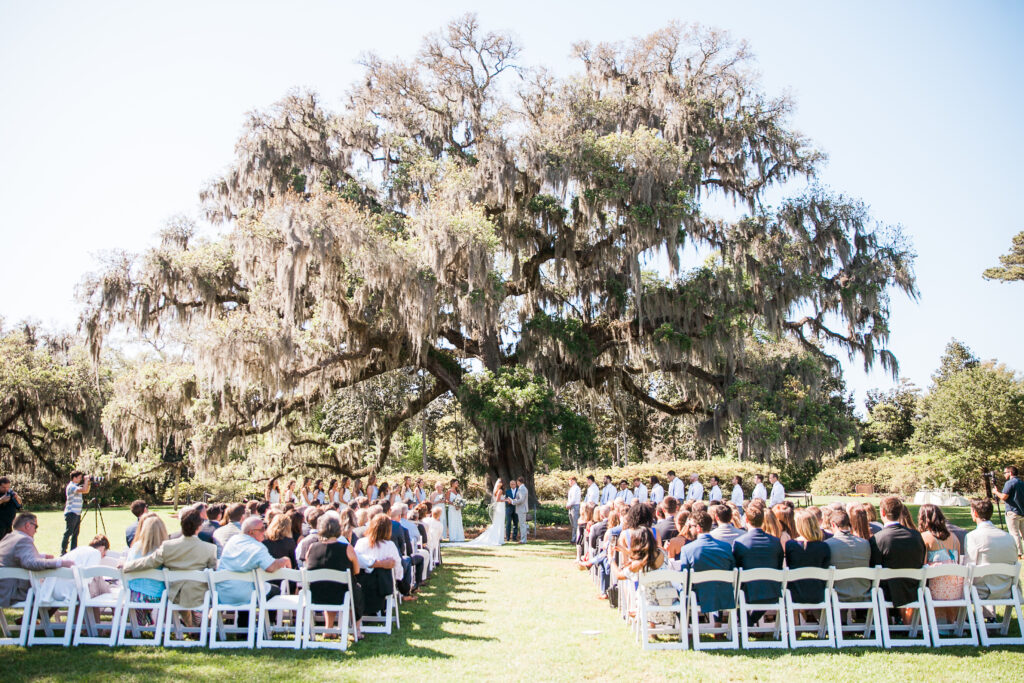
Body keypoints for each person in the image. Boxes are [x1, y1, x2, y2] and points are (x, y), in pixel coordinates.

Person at [122, 507, 217, 611]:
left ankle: (190, 620)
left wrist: (126, 565)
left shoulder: (168, 546)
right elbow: (213, 575)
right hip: (200, 598)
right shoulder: (210, 549)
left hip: (176, 597)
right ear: (199, 527)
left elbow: (149, 562)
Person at [0, 512, 74, 606]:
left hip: (3, 590)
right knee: (60, 590)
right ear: (27, 525)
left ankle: (31, 618)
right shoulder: (23, 539)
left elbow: (16, 557)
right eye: (36, 527)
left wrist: (41, 556)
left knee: (52, 589)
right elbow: (31, 563)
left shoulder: (8, 537)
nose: (36, 531)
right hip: (13, 593)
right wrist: (60, 563)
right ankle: (33, 618)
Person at [305, 514, 362, 632]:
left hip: (316, 594)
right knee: (356, 589)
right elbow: (356, 571)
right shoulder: (347, 548)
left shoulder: (311, 547)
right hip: (341, 595)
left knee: (327, 585)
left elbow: (308, 567)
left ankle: (329, 628)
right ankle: (357, 629)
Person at [869, 496, 926, 612]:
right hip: (913, 589)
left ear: (883, 512)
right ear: (901, 512)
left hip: (887, 592)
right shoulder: (916, 536)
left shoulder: (878, 539)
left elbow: (874, 567)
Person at [733, 503, 784, 622]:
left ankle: (747, 622)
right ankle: (749, 622)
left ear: (746, 520)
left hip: (747, 592)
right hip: (772, 591)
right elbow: (779, 566)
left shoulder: (740, 542)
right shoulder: (776, 541)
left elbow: (736, 567)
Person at [680, 509, 736, 614]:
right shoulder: (726, 547)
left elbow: (685, 579)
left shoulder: (687, 549)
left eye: (690, 526)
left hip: (699, 597)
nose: (689, 528)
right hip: (724, 594)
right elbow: (732, 569)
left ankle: (686, 623)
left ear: (698, 528)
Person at [965, 498, 1018, 600]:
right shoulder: (1009, 537)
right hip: (1007, 589)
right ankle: (989, 615)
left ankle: (963, 616)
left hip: (981, 591)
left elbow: (968, 568)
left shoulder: (972, 537)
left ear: (975, 513)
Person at [917, 504, 963, 622]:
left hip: (934, 591)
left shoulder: (925, 537)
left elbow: (922, 566)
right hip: (956, 591)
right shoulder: (954, 537)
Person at [354, 513, 403, 615]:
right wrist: (398, 579)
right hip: (383, 586)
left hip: (362, 583)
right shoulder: (389, 545)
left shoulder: (361, 543)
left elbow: (356, 562)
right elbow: (397, 565)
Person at [125, 514, 168, 622]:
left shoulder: (135, 547)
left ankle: (140, 622)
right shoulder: (165, 549)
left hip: (135, 595)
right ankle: (162, 623)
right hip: (158, 596)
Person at [785, 509, 831, 605]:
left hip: (794, 594)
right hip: (818, 593)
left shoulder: (791, 545)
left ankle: (797, 619)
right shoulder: (824, 546)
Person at [824, 509, 872, 602]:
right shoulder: (865, 543)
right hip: (864, 593)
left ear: (833, 524)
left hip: (837, 595)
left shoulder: (827, 544)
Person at [995, 465, 1024, 558]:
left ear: (1010, 473)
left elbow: (1004, 497)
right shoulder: (1021, 483)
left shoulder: (1010, 483)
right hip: (1022, 512)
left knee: (1014, 534)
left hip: (1012, 512)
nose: (1004, 475)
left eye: (1005, 473)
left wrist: (995, 492)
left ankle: (1019, 553)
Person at [61, 470, 91, 554]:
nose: (81, 479)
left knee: (75, 534)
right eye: (79, 478)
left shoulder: (77, 486)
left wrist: (88, 482)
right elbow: (84, 490)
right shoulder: (71, 486)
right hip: (71, 513)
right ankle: (63, 551)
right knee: (68, 533)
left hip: (77, 513)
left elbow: (86, 490)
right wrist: (86, 480)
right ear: (74, 478)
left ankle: (73, 551)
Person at [0, 476, 23, 541]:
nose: (6, 489)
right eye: (4, 487)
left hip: (9, 525)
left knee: (7, 545)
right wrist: (2, 500)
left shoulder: (10, 493)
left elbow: (19, 505)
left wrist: (17, 497)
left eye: (8, 487)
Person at [566, 477, 581, 543]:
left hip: (575, 506)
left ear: (573, 481)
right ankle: (573, 538)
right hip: (571, 506)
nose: (569, 482)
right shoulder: (572, 488)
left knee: (575, 524)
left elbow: (574, 499)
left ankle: (575, 539)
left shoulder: (576, 488)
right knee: (573, 524)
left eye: (570, 481)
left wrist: (569, 504)